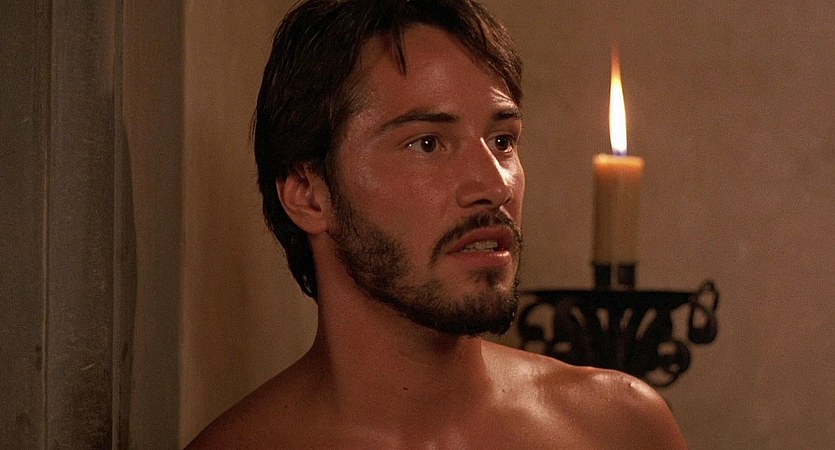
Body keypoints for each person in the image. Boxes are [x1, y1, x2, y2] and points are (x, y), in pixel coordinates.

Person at [187, 0, 688, 448]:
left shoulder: (619, 429)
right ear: (308, 193)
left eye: (503, 141)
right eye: (427, 144)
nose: (495, 186)